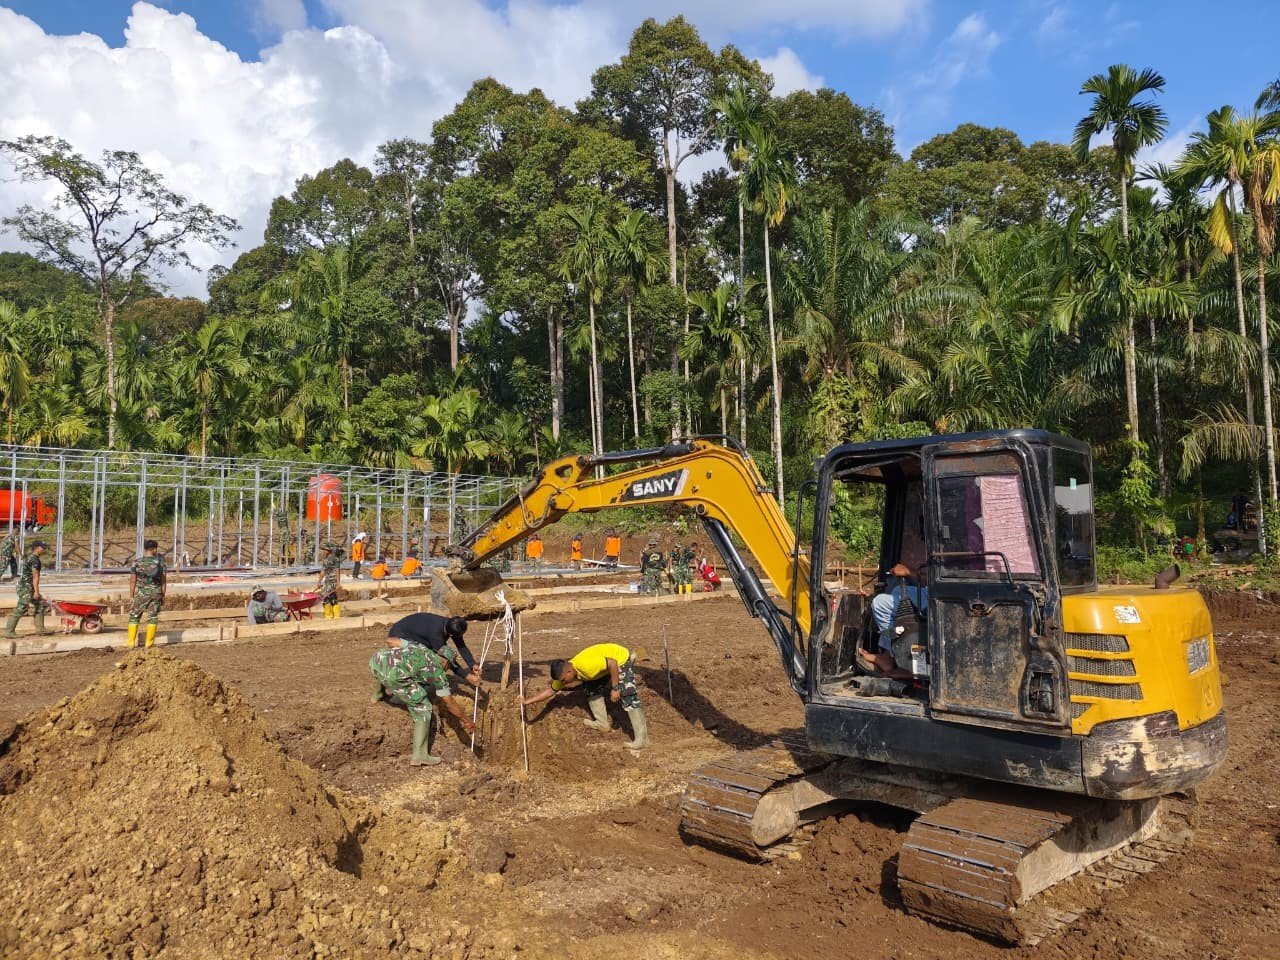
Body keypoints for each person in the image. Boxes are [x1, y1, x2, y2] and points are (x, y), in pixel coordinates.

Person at [369, 636, 477, 766]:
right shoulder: (437, 673)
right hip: (394, 677)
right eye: (449, 666)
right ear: (445, 662)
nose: (447, 669)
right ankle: (419, 756)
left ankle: (378, 694)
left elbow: (391, 641)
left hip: (376, 661)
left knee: (393, 666)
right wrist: (466, 720)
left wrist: (398, 656)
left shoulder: (420, 647)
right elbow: (450, 704)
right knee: (423, 707)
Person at [521, 642, 648, 749]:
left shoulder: (587, 666)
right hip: (603, 667)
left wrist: (615, 688)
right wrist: (527, 701)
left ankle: (642, 739)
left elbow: (612, 663)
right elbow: (550, 691)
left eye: (565, 680)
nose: (564, 683)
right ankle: (602, 723)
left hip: (619, 659)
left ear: (569, 671)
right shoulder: (565, 673)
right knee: (591, 688)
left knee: (627, 694)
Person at [860, 562, 927, 678]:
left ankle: (902, 663)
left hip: (943, 594)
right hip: (934, 591)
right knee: (897, 590)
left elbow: (940, 581)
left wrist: (908, 571)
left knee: (880, 603)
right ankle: (888, 656)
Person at [387, 613, 481, 686]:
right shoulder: (436, 636)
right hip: (399, 636)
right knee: (430, 659)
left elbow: (461, 646)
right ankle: (411, 687)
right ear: (451, 635)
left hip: (416, 634)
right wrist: (467, 677)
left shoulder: (452, 624)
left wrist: (472, 664)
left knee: (431, 653)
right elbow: (448, 660)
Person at [4, 540, 50, 639]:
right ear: (37, 548)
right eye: (43, 547)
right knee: (21, 608)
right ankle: (9, 631)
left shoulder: (30, 557)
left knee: (39, 605)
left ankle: (40, 629)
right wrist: (37, 592)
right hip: (27, 588)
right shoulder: (34, 560)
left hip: (26, 586)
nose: (44, 549)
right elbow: (35, 577)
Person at [127, 539, 167, 649]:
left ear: (145, 549)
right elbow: (163, 581)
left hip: (141, 594)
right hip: (156, 593)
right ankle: (149, 644)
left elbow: (132, 580)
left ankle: (131, 643)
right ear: (154, 549)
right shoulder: (160, 563)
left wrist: (131, 596)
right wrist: (163, 595)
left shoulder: (136, 562)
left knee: (134, 616)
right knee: (152, 617)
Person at [316, 541, 343, 619]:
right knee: (333, 598)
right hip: (332, 582)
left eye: (325, 550)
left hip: (330, 582)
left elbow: (324, 572)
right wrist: (338, 583)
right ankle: (337, 616)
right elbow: (337, 571)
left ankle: (329, 616)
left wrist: (319, 582)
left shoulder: (327, 560)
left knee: (324, 598)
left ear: (328, 550)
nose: (324, 551)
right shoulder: (336, 559)